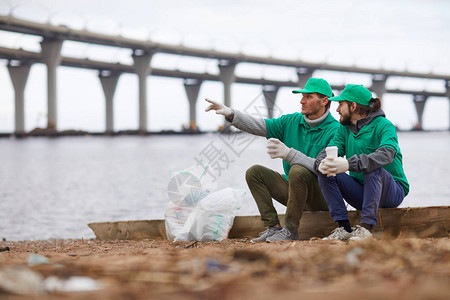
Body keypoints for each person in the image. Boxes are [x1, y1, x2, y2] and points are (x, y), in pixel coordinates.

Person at [205, 78, 340, 242]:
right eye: (302, 96)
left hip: (322, 197)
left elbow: (322, 168)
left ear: (324, 101)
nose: (302, 101)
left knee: (298, 170)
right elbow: (260, 125)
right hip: (295, 193)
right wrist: (231, 114)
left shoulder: (336, 130)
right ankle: (274, 227)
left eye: (308, 97)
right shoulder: (291, 121)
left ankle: (290, 230)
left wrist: (289, 154)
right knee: (255, 172)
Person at [316, 84, 409, 241]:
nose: (337, 110)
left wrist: (348, 164)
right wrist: (322, 163)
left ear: (353, 106)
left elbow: (387, 154)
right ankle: (344, 228)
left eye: (340, 104)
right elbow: (328, 151)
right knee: (326, 171)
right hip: (362, 193)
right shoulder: (344, 129)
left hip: (392, 192)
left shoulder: (384, 126)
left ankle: (366, 229)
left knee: (373, 168)